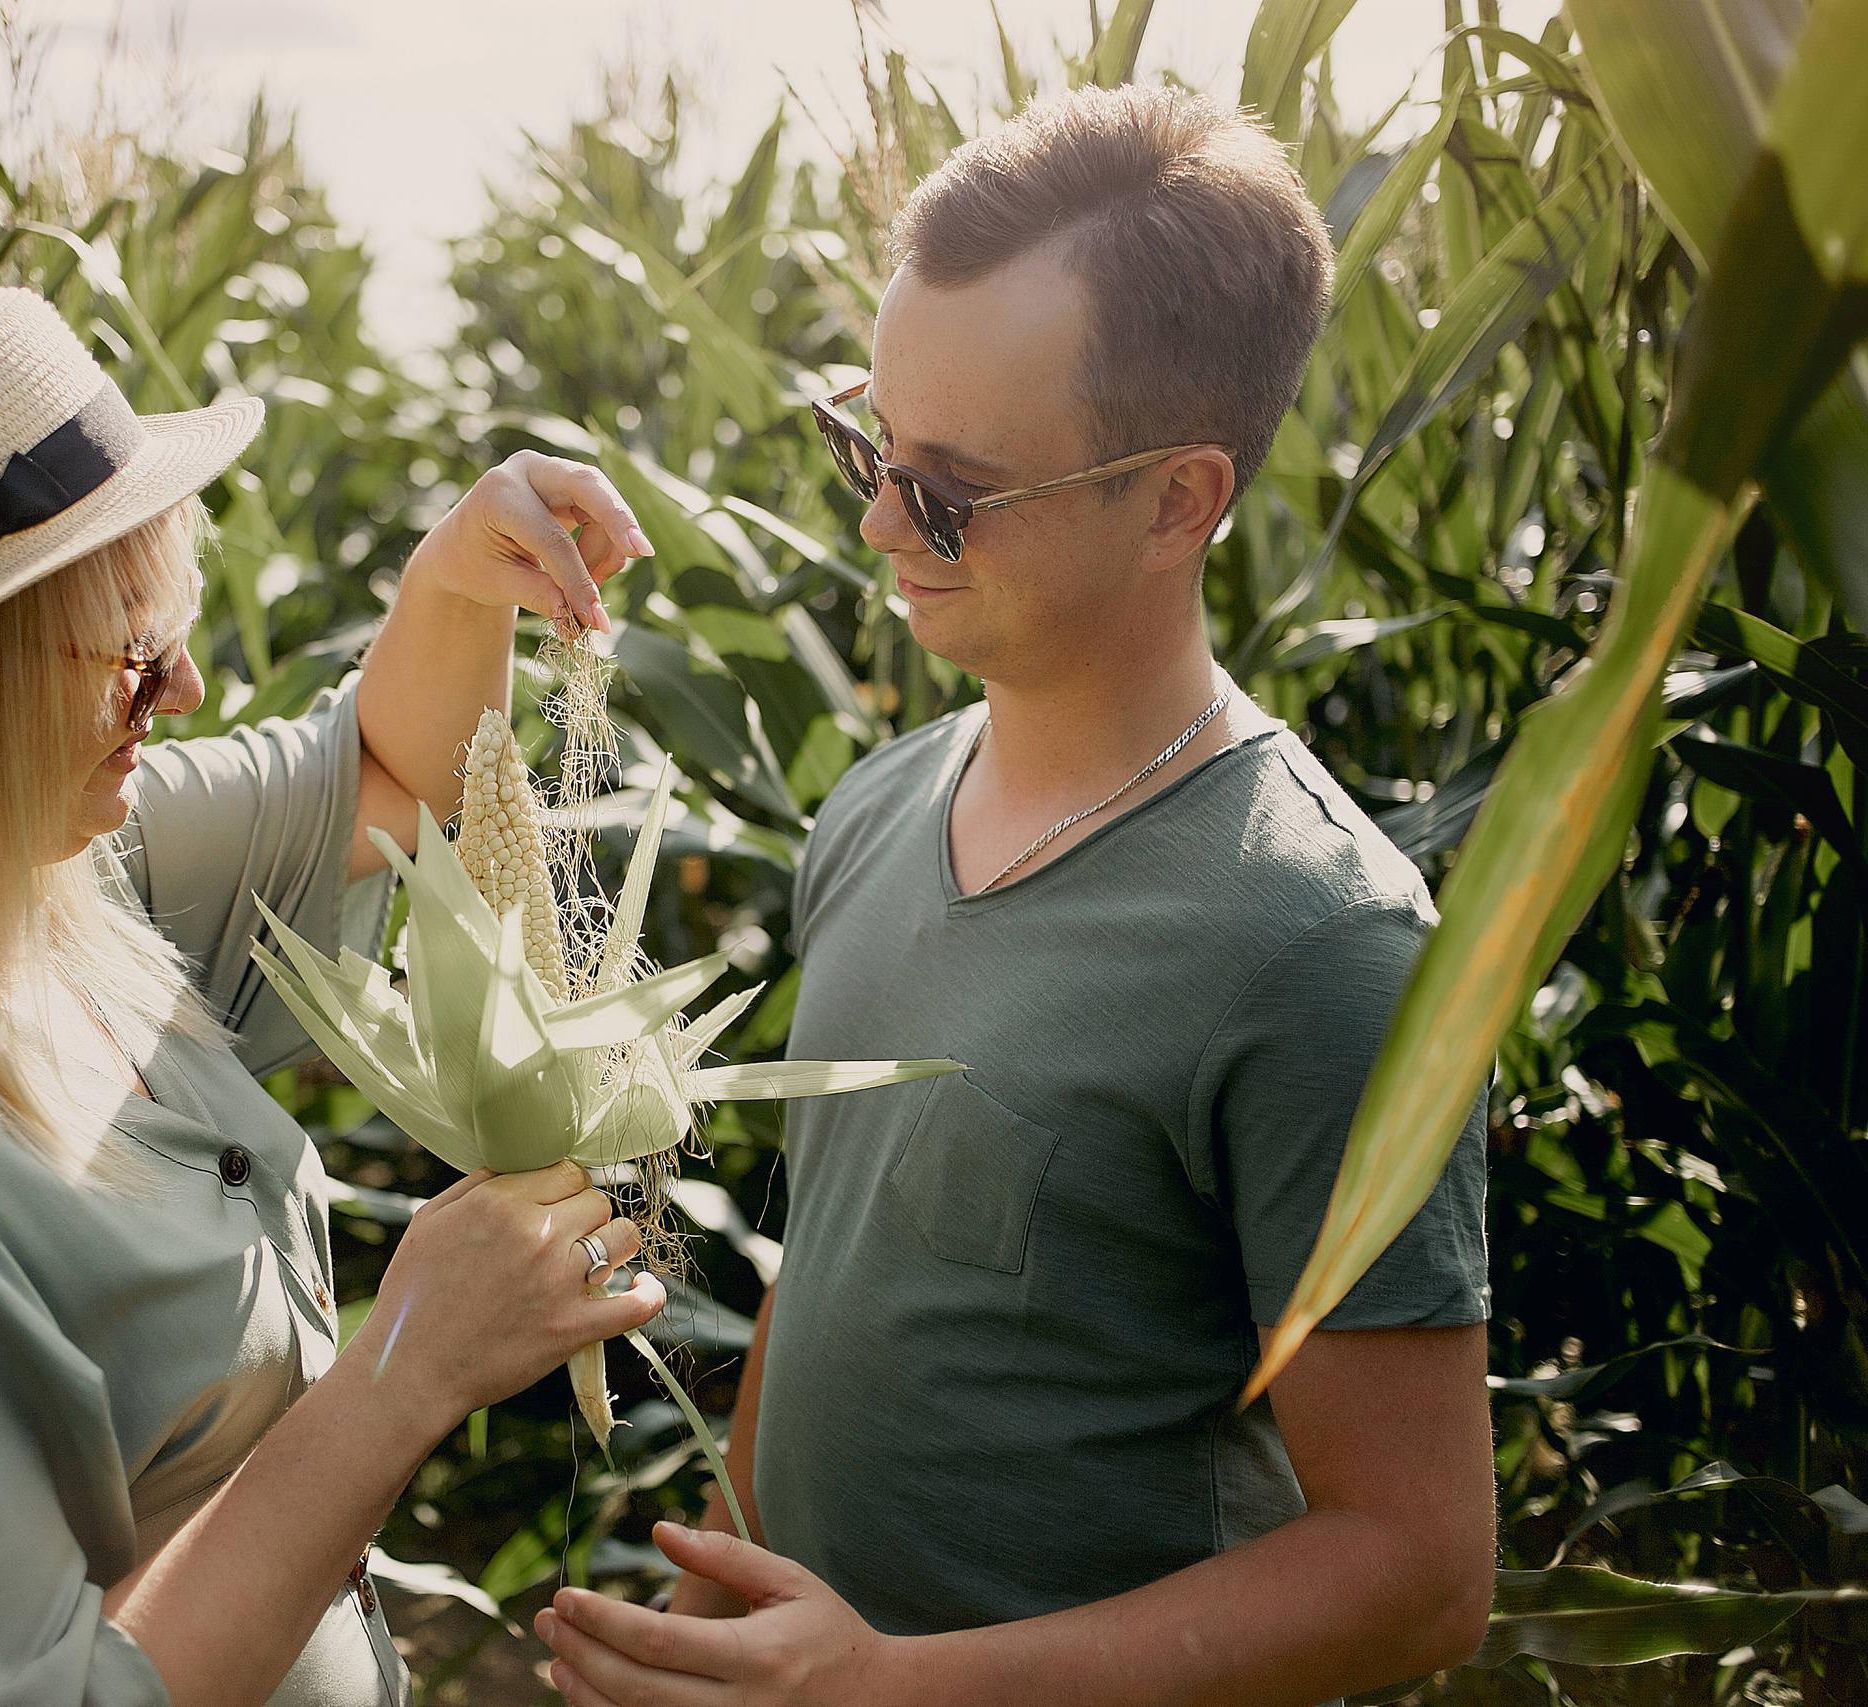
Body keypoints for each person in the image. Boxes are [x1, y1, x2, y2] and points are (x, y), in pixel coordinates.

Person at [533, 85, 1495, 1707]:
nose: (874, 522)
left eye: (953, 491)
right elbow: (831, 1277)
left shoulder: (1319, 945)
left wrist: (892, 1686)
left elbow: (1419, 1572)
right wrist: (717, 1609)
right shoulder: (875, 808)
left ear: (1180, 499)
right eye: (870, 445)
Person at [0, 287, 670, 1707]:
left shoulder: (43, 870)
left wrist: (457, 577)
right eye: (129, 653)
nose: (181, 687)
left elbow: (384, 786)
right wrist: (407, 1366)